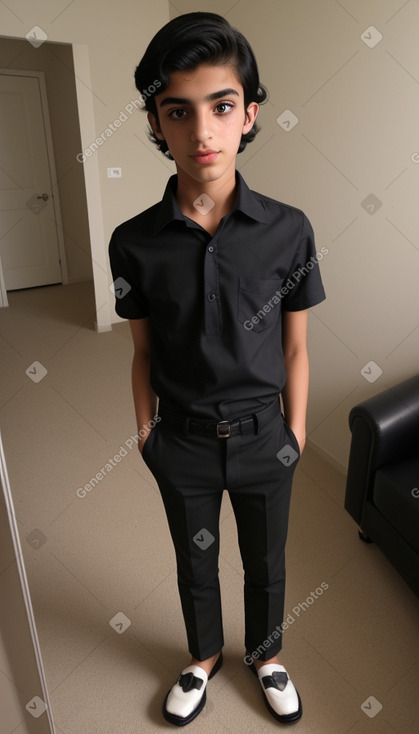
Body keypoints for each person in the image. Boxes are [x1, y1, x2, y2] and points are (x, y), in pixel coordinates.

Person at [109, 11, 325, 727]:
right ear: (156, 123)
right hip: (184, 441)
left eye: (221, 106)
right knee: (194, 561)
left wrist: (293, 432)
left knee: (265, 565)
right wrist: (147, 438)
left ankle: (265, 656)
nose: (201, 131)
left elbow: (295, 347)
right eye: (179, 111)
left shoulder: (289, 230)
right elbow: (140, 351)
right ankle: (202, 657)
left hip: (267, 438)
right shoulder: (132, 243)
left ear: (248, 114)